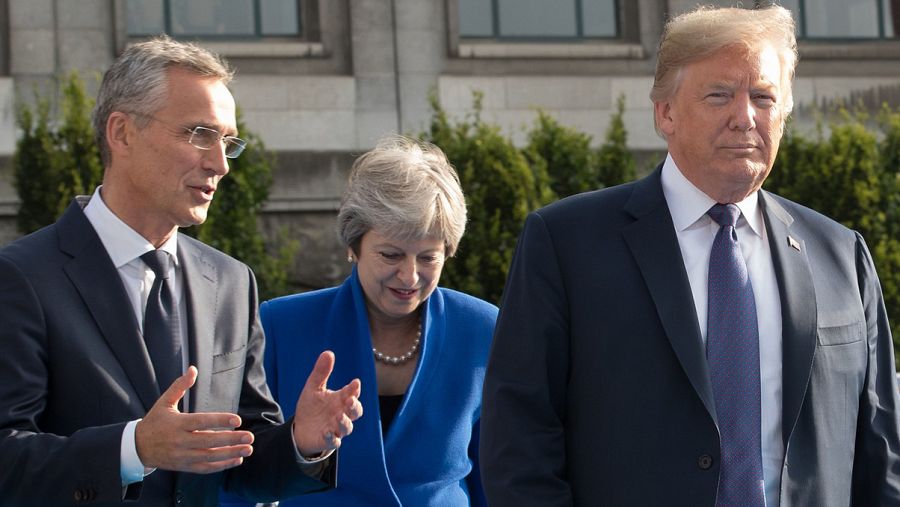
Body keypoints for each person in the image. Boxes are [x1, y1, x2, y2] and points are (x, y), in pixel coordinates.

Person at [480, 5, 900, 506]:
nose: (744, 117)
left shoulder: (841, 253)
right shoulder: (566, 243)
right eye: (719, 95)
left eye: (763, 97)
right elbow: (519, 442)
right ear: (666, 113)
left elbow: (882, 453)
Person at [0, 36, 363, 507]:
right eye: (199, 134)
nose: (220, 164)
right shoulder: (21, 278)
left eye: (227, 142)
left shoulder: (231, 282)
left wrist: (301, 442)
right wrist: (133, 449)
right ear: (122, 133)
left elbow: (240, 453)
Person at [223, 136, 497, 506]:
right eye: (391, 255)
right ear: (354, 247)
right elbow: (238, 474)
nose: (409, 276)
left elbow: (495, 476)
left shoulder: (482, 329)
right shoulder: (281, 325)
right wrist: (299, 441)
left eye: (428, 257)